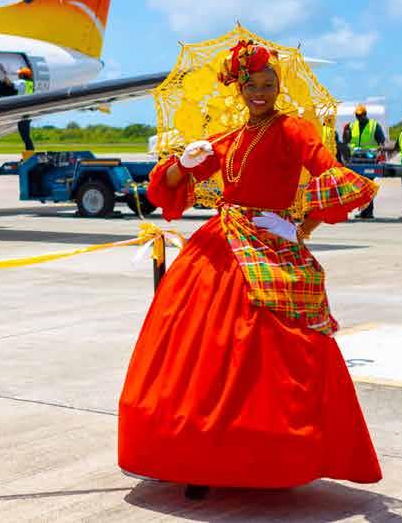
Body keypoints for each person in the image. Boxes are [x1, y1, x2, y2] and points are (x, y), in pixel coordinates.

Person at [121, 39, 382, 498]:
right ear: (239, 90)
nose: (259, 93)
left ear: (279, 87)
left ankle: (263, 454)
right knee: (201, 348)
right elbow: (170, 187)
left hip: (270, 242)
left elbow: (333, 177)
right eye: (251, 86)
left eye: (267, 84)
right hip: (220, 242)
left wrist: (298, 227)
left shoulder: (294, 130)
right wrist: (183, 162)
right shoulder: (229, 138)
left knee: (272, 346)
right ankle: (195, 456)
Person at [340, 104, 386, 219]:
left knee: (368, 185)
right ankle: (363, 211)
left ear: (365, 114)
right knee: (359, 186)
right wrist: (346, 134)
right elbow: (346, 142)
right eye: (357, 115)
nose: (359, 117)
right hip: (355, 159)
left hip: (369, 160)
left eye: (361, 115)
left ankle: (369, 212)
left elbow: (381, 142)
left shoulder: (374, 126)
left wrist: (379, 152)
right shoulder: (352, 126)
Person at [16, 65, 37, 156]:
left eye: (20, 74)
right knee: (26, 136)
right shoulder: (30, 83)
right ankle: (30, 154)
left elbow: (10, 84)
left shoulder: (22, 83)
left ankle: (30, 155)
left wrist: (3, 73)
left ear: (23, 75)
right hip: (27, 112)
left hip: (24, 112)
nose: (18, 76)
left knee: (25, 135)